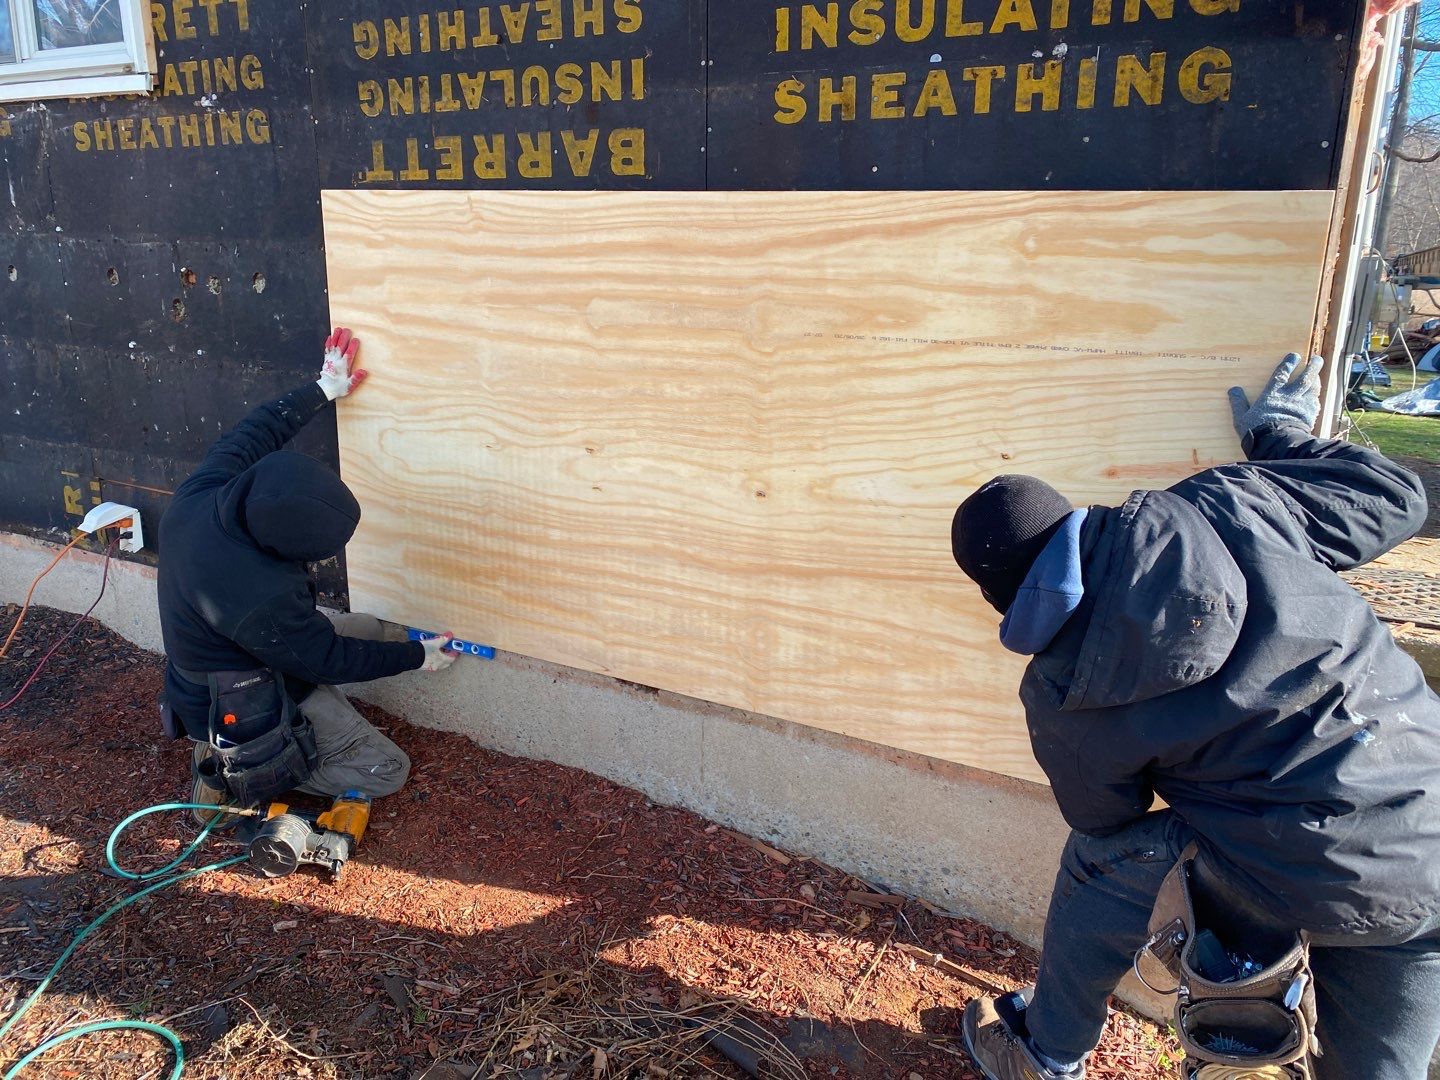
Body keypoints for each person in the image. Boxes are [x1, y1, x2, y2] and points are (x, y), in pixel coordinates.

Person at [950, 354, 1440, 1080]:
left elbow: (1104, 817)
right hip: (1430, 819)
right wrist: (1280, 436)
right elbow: (1395, 497)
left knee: (1097, 861)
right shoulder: (1228, 501)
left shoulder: (1063, 692)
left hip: (1292, 870)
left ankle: (1046, 1053)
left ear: (1002, 599)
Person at [157, 328, 457, 821]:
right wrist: (418, 658)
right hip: (244, 696)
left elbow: (255, 431)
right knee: (387, 770)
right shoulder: (257, 595)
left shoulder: (206, 491)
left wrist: (324, 387)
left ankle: (237, 748)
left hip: (237, 654)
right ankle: (241, 772)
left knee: (369, 630)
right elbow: (325, 660)